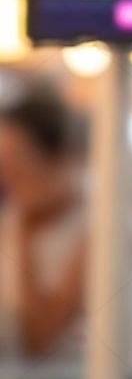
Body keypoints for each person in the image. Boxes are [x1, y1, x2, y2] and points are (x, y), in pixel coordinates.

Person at [0, 78, 88, 363]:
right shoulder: (9, 221)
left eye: (20, 163)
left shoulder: (98, 231)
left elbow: (38, 337)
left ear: (60, 158)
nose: (10, 179)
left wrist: (23, 233)